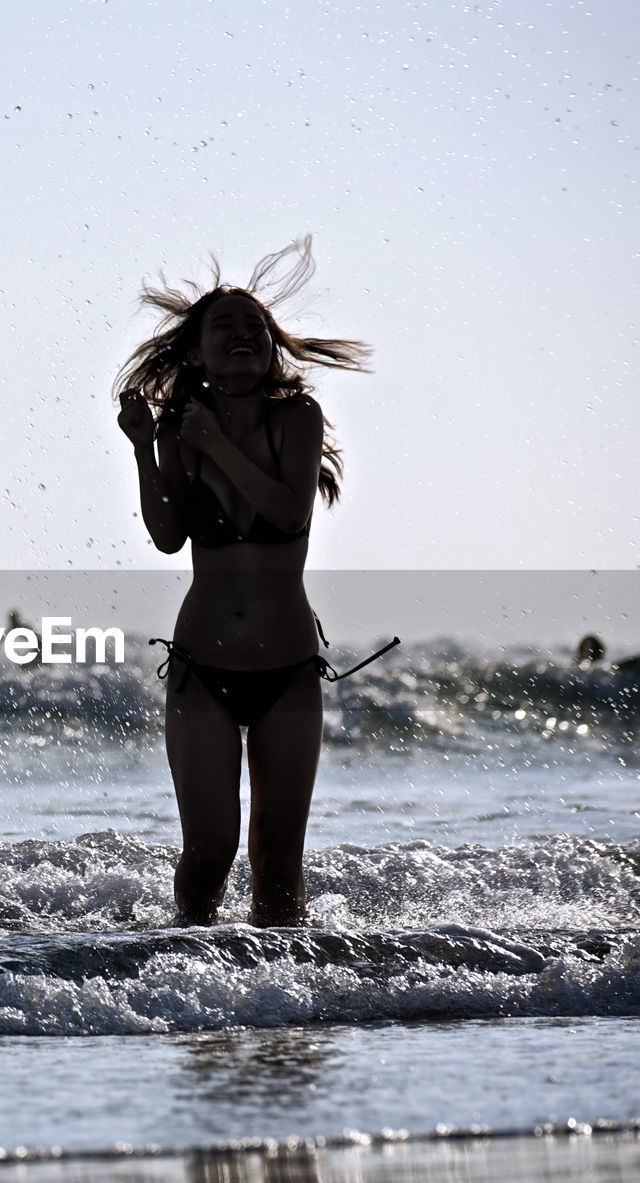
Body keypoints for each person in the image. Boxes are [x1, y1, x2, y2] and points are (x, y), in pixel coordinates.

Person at [115, 238, 373, 927]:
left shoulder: (296, 418)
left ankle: (277, 1018)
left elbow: (288, 513)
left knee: (278, 864)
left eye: (255, 327)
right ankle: (191, 987)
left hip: (287, 669)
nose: (243, 336)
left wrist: (217, 444)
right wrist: (146, 447)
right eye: (224, 327)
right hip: (203, 670)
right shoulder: (177, 431)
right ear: (195, 353)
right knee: (209, 853)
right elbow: (170, 535)